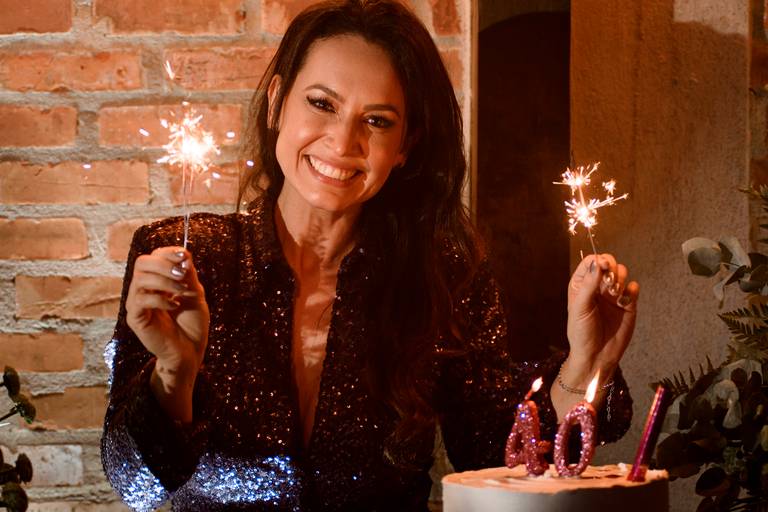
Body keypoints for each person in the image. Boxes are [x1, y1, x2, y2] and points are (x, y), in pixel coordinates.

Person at [101, 1, 639, 510]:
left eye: (377, 121)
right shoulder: (187, 258)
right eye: (322, 104)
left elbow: (496, 456)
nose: (343, 142)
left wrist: (586, 363)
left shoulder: (444, 273)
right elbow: (136, 488)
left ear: (405, 145)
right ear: (277, 103)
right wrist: (175, 372)